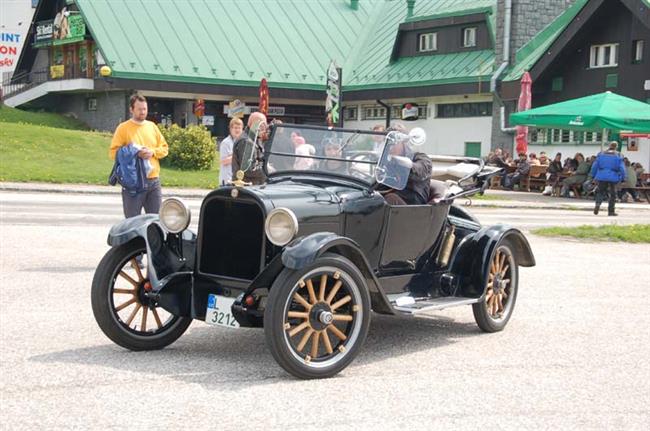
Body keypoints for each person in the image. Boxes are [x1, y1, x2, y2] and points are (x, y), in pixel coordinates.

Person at [110, 93, 168, 218]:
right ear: (131, 110)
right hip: (133, 184)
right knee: (132, 222)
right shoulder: (123, 128)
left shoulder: (152, 127)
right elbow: (113, 153)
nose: (143, 112)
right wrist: (134, 153)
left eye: (145, 109)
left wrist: (152, 152)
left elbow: (164, 148)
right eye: (139, 109)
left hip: (153, 181)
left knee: (156, 222)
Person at [380, 132, 432, 205]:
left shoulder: (421, 158)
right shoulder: (388, 159)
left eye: (393, 143)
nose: (389, 147)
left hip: (413, 202)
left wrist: (406, 163)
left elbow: (420, 172)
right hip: (393, 193)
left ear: (403, 142)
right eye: (387, 143)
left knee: (391, 199)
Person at [232, 112, 268, 185]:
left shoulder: (254, 139)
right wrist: (267, 170)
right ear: (256, 124)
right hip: (247, 187)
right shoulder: (246, 141)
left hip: (254, 186)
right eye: (263, 124)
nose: (265, 127)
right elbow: (248, 169)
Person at [590, 142, 625, 216]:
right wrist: (623, 177)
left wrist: (593, 175)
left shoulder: (601, 154)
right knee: (613, 194)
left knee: (600, 191)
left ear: (609, 146)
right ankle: (611, 211)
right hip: (613, 176)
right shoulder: (618, 155)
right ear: (616, 147)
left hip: (602, 175)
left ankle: (598, 204)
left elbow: (595, 166)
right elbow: (622, 168)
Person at [218, 117, 243, 186]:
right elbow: (223, 161)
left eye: (239, 128)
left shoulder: (242, 142)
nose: (237, 130)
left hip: (238, 181)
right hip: (227, 181)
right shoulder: (226, 143)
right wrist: (238, 155)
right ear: (230, 129)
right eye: (235, 128)